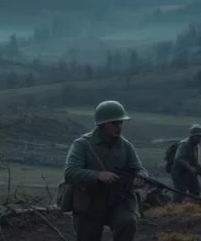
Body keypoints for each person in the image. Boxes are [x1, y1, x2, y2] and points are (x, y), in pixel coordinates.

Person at [63, 100, 149, 241]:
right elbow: (70, 173)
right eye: (114, 123)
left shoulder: (126, 146)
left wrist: (141, 176)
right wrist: (98, 175)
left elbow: (139, 168)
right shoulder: (82, 144)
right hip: (90, 203)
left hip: (117, 200)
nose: (119, 127)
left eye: (120, 122)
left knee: (127, 222)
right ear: (102, 124)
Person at [170, 124, 201, 203]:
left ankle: (190, 206)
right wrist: (190, 168)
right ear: (193, 136)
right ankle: (174, 209)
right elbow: (178, 159)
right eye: (198, 136)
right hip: (179, 173)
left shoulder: (196, 146)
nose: (200, 139)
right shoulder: (184, 144)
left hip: (189, 173)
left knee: (196, 190)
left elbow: (195, 161)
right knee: (180, 193)